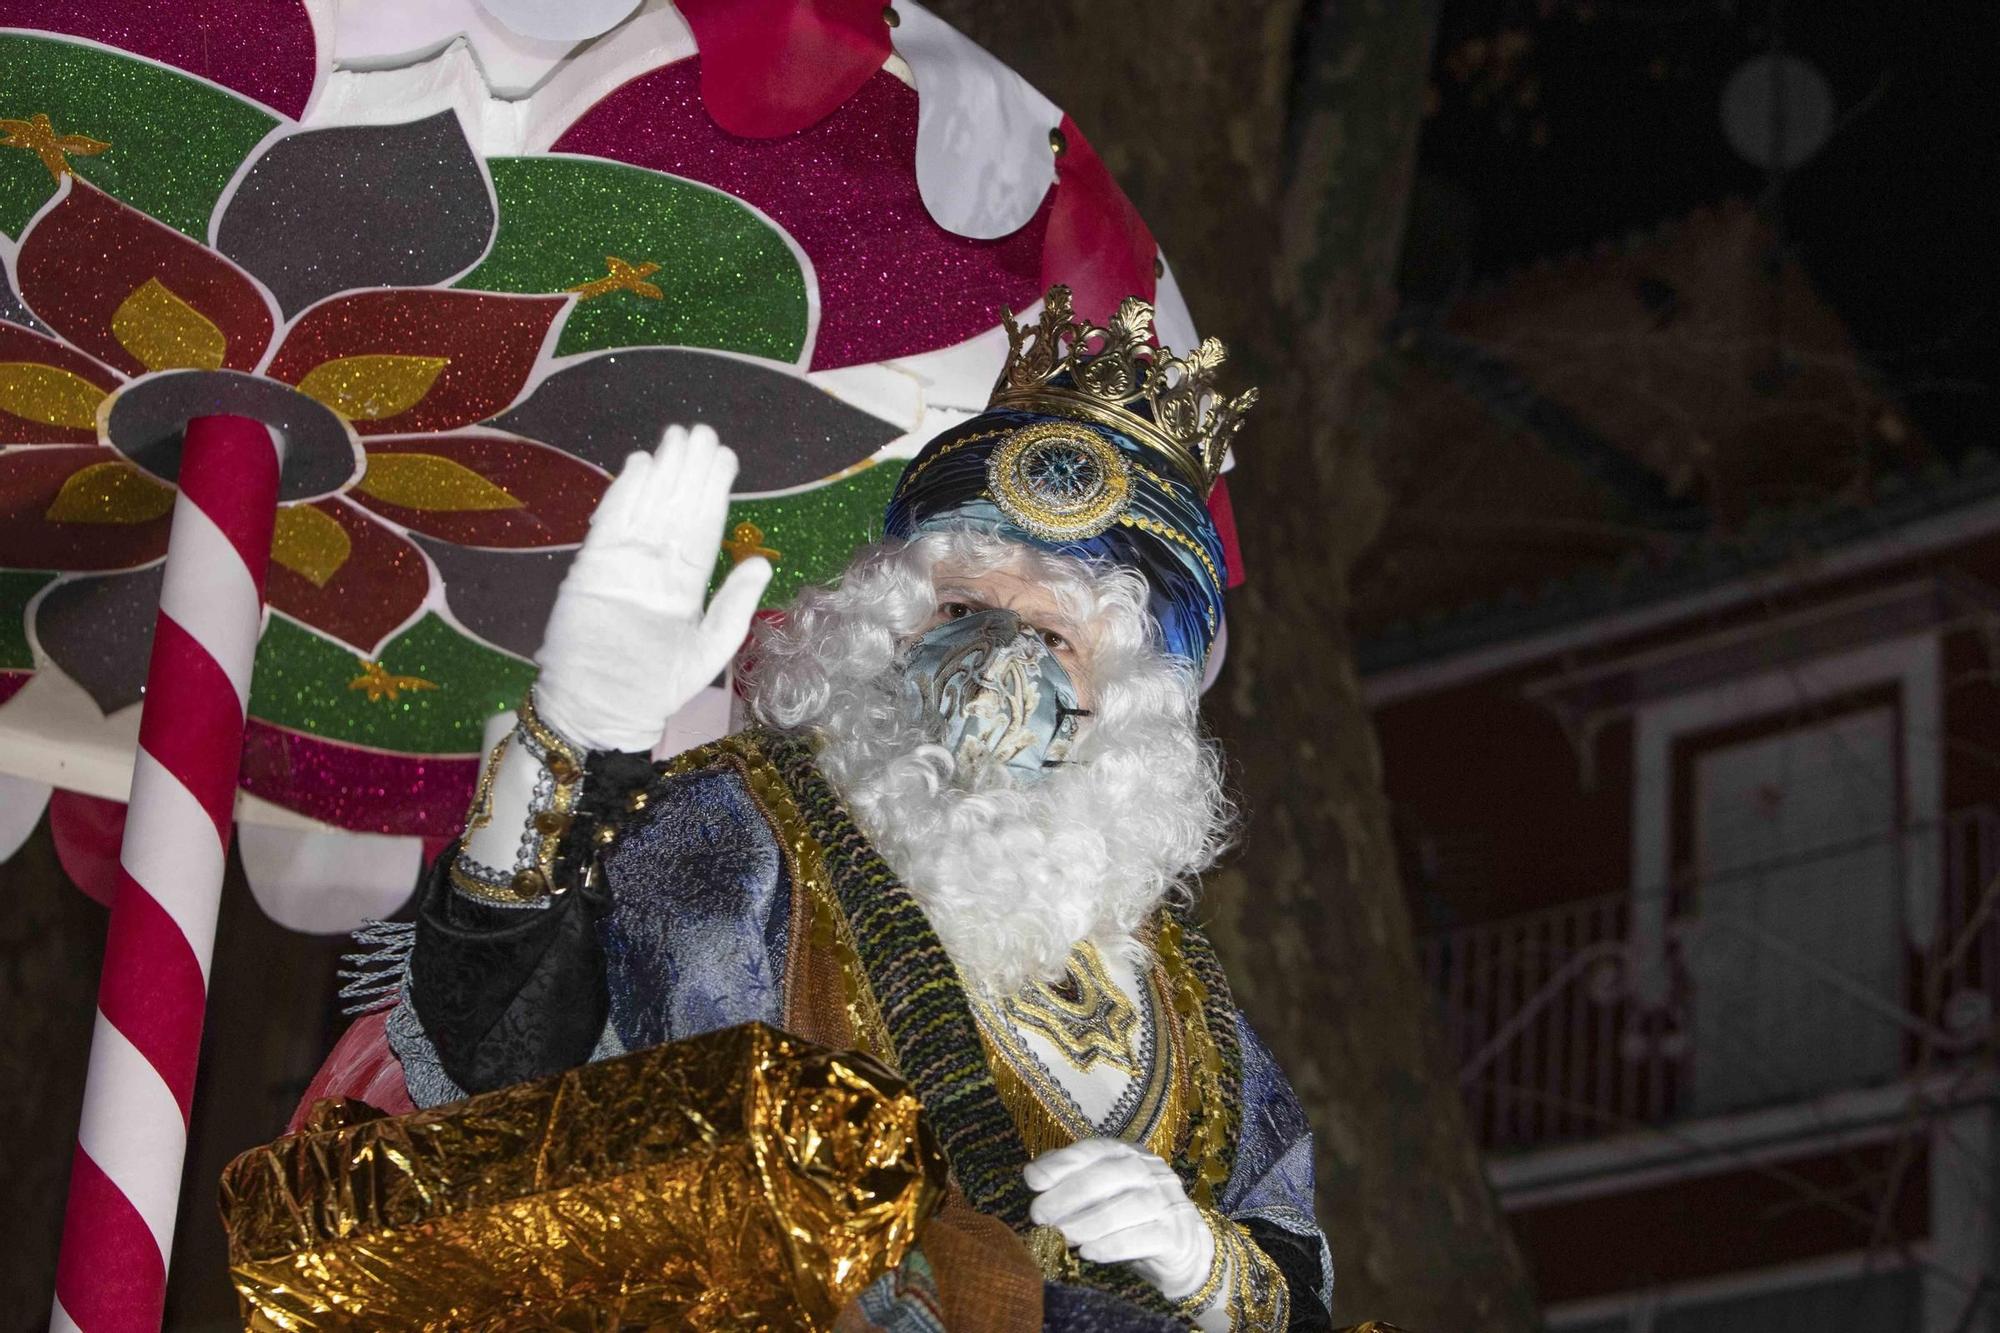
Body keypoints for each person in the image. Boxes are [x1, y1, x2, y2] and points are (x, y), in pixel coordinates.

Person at [349, 286, 1331, 1331]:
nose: (992, 662)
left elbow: (1289, 1269)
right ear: (885, 625)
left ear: (1127, 710)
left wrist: (1206, 1262)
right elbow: (505, 1043)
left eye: (1049, 636)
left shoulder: (1177, 986)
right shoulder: (745, 821)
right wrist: (575, 733)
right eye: (959, 610)